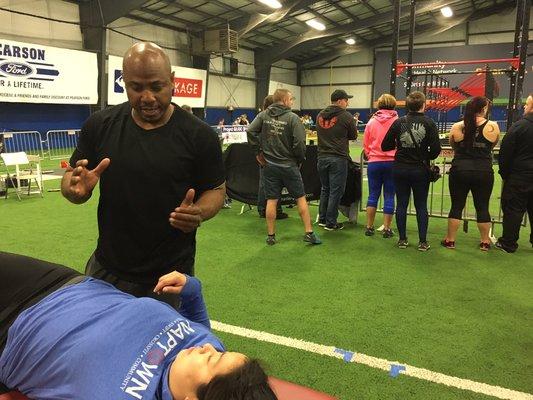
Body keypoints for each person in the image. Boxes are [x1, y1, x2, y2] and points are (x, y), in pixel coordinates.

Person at [61, 42, 226, 309]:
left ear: (172, 82)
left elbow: (217, 190)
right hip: (107, 267)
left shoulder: (200, 135)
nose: (147, 97)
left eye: (157, 87)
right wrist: (74, 189)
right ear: (124, 83)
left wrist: (198, 212)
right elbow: (71, 181)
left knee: (162, 352)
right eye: (136, 87)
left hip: (169, 275)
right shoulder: (100, 125)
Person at [0, 252, 277, 400]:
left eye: (213, 361)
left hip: (13, 340)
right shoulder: (204, 348)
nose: (208, 348)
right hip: (61, 285)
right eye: (221, 353)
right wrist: (191, 288)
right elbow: (198, 323)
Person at [247, 89, 321, 246]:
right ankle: (309, 232)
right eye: (291, 99)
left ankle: (271, 236)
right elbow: (300, 142)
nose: (292, 102)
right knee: (300, 198)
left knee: (271, 200)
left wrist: (258, 153)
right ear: (285, 100)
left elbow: (250, 131)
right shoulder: (293, 118)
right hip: (289, 166)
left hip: (269, 166)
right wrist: (299, 159)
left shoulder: (263, 115)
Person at [382, 91, 441, 251]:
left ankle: (402, 239)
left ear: (407, 105)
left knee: (401, 203)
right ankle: (422, 242)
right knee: (421, 205)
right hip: (420, 169)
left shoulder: (398, 122)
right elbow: (436, 150)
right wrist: (423, 155)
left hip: (400, 168)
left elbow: (385, 146)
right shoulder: (429, 123)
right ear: (424, 105)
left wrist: (401, 148)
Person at [441, 96, 500, 251]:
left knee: (456, 206)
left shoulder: (457, 126)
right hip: (483, 170)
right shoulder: (492, 126)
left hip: (460, 169)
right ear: (483, 109)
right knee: (482, 206)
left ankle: (450, 240)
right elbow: (492, 145)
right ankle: (485, 242)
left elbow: (454, 145)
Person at [316, 89, 358, 230]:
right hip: (338, 157)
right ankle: (331, 222)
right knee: (336, 191)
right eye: (346, 100)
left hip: (322, 156)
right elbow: (353, 135)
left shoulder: (320, 115)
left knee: (325, 189)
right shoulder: (346, 116)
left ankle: (322, 218)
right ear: (340, 101)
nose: (348, 103)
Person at [496, 94, 533, 253]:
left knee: (514, 210)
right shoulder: (520, 126)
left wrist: (506, 174)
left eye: (527, 104)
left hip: (520, 176)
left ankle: (508, 243)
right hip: (521, 174)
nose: (524, 107)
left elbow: (505, 153)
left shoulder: (519, 126)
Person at [363, 93, 398, 238]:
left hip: (374, 162)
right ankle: (387, 229)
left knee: (373, 195)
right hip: (392, 162)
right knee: (389, 195)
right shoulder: (398, 121)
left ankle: (369, 227)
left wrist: (371, 154)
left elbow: (366, 144)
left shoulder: (371, 122)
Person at [255, 94, 288, 220]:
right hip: (269, 155)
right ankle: (268, 209)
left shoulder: (263, 117)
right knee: (268, 184)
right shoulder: (265, 118)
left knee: (266, 183)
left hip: (267, 155)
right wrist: (259, 153)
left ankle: (267, 209)